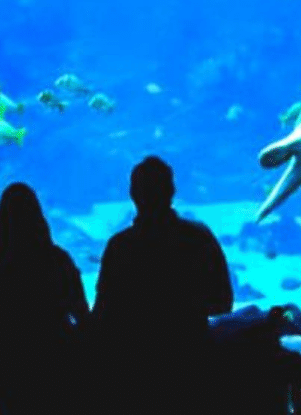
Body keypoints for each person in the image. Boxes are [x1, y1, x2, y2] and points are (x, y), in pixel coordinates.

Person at [93, 156, 233, 415]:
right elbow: (222, 302)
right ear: (172, 191)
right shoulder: (198, 238)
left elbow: (103, 316)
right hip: (192, 364)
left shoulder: (120, 247)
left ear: (133, 194)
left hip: (135, 373)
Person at [0, 182, 88, 415]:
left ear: (0, 223)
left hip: (7, 374)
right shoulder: (58, 260)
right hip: (56, 368)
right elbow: (82, 316)